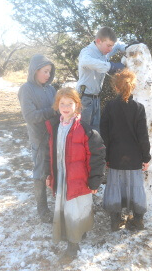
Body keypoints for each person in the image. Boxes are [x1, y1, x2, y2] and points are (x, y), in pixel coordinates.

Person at [45, 87, 105, 261]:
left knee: (77, 208)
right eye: (62, 103)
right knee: (68, 209)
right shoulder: (55, 126)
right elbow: (50, 153)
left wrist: (95, 181)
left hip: (79, 179)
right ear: (57, 105)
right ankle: (73, 233)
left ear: (77, 105)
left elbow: (96, 155)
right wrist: (50, 175)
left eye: (69, 103)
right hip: (62, 177)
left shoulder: (84, 129)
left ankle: (73, 245)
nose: (65, 107)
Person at [100, 69, 151, 232]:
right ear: (133, 86)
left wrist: (105, 156)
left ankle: (115, 221)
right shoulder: (139, 108)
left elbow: (104, 135)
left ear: (115, 87)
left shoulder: (109, 106)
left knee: (115, 186)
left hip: (115, 156)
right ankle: (138, 220)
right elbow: (143, 136)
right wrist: (146, 157)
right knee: (136, 188)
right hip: (135, 157)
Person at [18, 54, 56, 223]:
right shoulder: (26, 89)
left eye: (50, 72)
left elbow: (59, 108)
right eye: (45, 71)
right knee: (40, 173)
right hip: (39, 138)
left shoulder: (51, 89)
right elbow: (30, 116)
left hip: (54, 136)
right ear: (35, 70)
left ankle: (61, 203)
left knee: (56, 169)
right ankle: (43, 210)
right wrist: (52, 111)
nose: (48, 75)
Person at [76, 26, 126, 131]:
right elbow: (86, 62)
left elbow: (118, 45)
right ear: (98, 41)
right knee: (83, 132)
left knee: (95, 132)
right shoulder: (87, 52)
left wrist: (128, 47)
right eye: (108, 46)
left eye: (111, 46)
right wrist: (111, 67)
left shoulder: (105, 50)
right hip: (85, 100)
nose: (110, 49)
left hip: (96, 99)